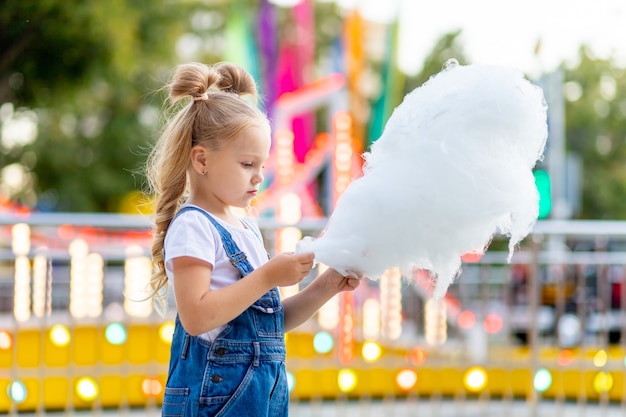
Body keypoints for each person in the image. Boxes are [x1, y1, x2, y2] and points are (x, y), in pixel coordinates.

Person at [145, 62, 361, 417]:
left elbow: (272, 324)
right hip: (216, 401)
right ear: (201, 160)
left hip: (263, 397)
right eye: (247, 164)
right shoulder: (194, 226)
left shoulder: (244, 226)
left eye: (262, 165)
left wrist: (327, 285)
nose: (259, 177)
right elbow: (197, 316)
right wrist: (268, 277)